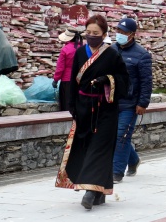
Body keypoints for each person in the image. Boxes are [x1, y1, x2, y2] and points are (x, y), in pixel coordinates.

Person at [55, 14, 129, 210]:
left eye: (95, 33)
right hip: (83, 108)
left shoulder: (112, 54)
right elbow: (72, 80)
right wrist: (72, 105)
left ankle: (89, 192)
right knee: (86, 147)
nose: (91, 36)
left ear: (104, 34)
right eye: (88, 32)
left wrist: (107, 80)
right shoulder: (80, 53)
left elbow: (123, 80)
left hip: (105, 110)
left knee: (99, 149)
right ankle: (98, 191)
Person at [111, 18, 153, 183]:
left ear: (132, 35)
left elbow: (146, 81)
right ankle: (133, 160)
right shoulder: (111, 50)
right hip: (111, 101)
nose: (120, 35)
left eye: (123, 32)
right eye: (118, 31)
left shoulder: (142, 55)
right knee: (115, 135)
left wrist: (143, 103)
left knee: (122, 135)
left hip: (130, 103)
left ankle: (116, 172)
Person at [53, 27, 82, 112]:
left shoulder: (65, 49)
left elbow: (60, 67)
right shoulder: (83, 48)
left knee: (67, 105)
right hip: (80, 80)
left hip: (67, 80)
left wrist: (55, 79)